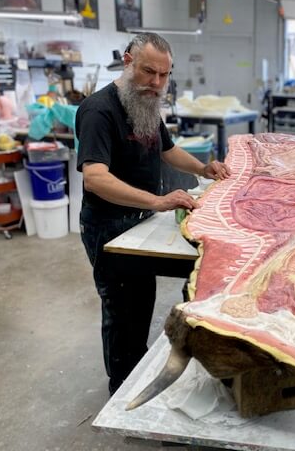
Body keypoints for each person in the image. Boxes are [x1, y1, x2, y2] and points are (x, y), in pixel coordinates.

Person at [76, 33, 231, 394]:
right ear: (128, 61)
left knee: (141, 300)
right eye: (149, 72)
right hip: (109, 225)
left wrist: (203, 169)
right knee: (119, 309)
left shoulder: (144, 103)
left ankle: (135, 371)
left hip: (138, 219)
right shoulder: (99, 110)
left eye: (164, 75)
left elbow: (167, 149)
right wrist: (157, 201)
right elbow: (96, 180)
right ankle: (121, 387)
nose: (157, 83)